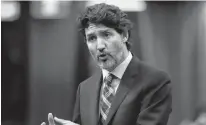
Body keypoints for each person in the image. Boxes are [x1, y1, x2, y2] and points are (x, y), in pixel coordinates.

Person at [41, 3, 172, 125]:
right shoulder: (85, 89)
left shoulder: (155, 82)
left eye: (106, 35)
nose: (100, 46)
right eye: (92, 38)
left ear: (124, 35)